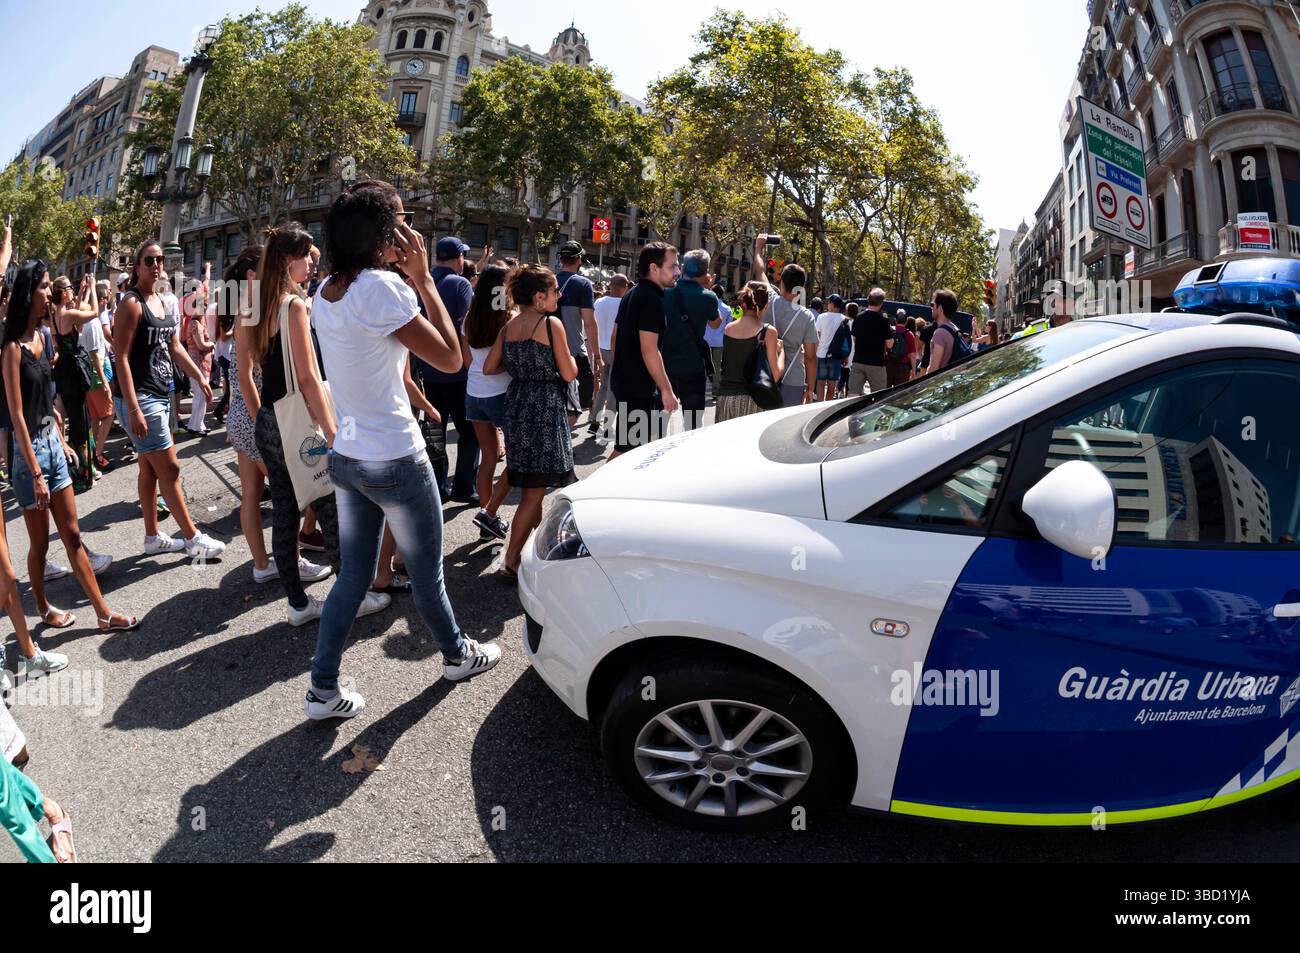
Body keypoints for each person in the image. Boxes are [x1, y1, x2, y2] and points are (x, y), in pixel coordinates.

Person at [309, 180, 499, 720]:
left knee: (353, 576)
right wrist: (425, 280)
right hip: (395, 454)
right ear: (383, 233)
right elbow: (451, 360)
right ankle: (457, 655)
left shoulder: (325, 292)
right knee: (427, 572)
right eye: (400, 220)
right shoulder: (384, 289)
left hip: (349, 455)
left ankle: (322, 689)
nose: (409, 230)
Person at [3, 260, 139, 633]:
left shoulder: (43, 338)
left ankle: (103, 614)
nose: (50, 292)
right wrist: (35, 473)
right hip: (28, 456)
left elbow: (46, 402)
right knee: (40, 546)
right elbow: (17, 416)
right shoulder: (12, 348)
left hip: (52, 446)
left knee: (73, 534)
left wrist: (61, 440)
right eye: (44, 285)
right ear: (29, 292)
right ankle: (43, 605)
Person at [246, 224, 344, 626]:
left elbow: (253, 368)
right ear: (289, 260)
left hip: (269, 420)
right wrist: (332, 432)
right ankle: (350, 596)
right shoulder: (293, 306)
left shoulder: (256, 302)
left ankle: (297, 603)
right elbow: (307, 378)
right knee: (329, 505)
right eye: (306, 256)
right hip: (298, 423)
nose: (312, 263)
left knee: (285, 512)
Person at [113, 242, 226, 561]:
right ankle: (193, 539)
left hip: (160, 394)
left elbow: (175, 346)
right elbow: (121, 358)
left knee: (149, 470)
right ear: (137, 266)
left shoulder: (162, 301)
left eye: (160, 260)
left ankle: (152, 537)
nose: (156, 265)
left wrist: (199, 376)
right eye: (149, 260)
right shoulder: (131, 304)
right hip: (141, 398)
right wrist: (133, 408)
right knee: (171, 469)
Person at [483, 264, 577, 575]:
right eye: (554, 291)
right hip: (544, 406)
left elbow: (489, 367)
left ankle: (531, 552)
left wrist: (520, 368)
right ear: (539, 297)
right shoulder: (551, 325)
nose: (558, 296)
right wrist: (566, 363)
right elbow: (569, 373)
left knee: (528, 482)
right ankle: (511, 560)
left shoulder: (508, 327)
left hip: (517, 403)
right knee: (534, 492)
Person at [220, 245, 277, 584]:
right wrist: (262, 424)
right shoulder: (249, 312)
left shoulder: (250, 307)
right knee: (286, 494)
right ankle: (289, 560)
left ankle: (262, 564)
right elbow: (245, 377)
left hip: (243, 416)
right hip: (251, 416)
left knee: (252, 495)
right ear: (254, 275)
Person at [416, 236, 480, 504]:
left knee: (435, 431)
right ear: (458, 258)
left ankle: (438, 488)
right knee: (469, 432)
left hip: (428, 369)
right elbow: (468, 327)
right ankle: (464, 487)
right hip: (458, 372)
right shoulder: (460, 283)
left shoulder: (421, 283)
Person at [609, 242, 680, 457]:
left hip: (626, 381)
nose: (677, 271)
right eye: (673, 266)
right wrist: (666, 389)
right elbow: (649, 349)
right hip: (636, 386)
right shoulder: (651, 299)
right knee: (627, 451)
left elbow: (614, 337)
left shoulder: (633, 293)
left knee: (633, 448)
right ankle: (595, 481)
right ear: (654, 268)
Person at [461, 262, 512, 541]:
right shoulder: (507, 318)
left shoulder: (469, 318)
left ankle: (487, 520)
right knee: (518, 460)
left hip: (474, 393)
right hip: (501, 392)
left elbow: (467, 362)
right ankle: (489, 514)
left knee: (488, 459)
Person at [750, 234, 817, 406]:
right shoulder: (807, 316)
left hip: (765, 373)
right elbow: (810, 357)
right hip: (793, 379)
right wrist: (810, 389)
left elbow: (760, 271)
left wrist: (758, 248)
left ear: (781, 283)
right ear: (800, 288)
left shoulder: (769, 300)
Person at [660, 249, 724, 430]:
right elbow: (715, 323)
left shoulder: (665, 292)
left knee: (660, 421)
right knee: (693, 423)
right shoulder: (708, 297)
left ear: (682, 268)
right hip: (692, 367)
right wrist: (707, 289)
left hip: (665, 365)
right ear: (705, 272)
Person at [714, 282, 783, 423]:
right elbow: (775, 375)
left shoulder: (728, 328)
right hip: (751, 401)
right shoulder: (768, 331)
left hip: (725, 398)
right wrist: (781, 352)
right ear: (766, 306)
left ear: (744, 303)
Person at [553, 241, 602, 432]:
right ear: (579, 260)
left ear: (561, 259)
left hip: (547, 351)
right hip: (573, 353)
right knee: (576, 406)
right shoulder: (582, 284)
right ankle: (560, 440)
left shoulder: (549, 281)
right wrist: (597, 356)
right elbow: (589, 323)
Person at [591, 272, 627, 434]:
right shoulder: (625, 303)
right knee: (613, 389)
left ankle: (594, 421)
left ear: (610, 286)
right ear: (624, 287)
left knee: (603, 386)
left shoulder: (599, 302)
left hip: (600, 348)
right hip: (616, 350)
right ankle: (607, 425)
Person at [85, 280, 115, 470]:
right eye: (108, 296)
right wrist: (104, 382)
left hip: (90, 376)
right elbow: (95, 355)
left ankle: (93, 452)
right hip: (97, 376)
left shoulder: (86, 321)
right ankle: (98, 454)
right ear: (102, 300)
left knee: (96, 417)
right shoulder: (94, 323)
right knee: (109, 415)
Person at [183, 262, 215, 436]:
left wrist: (208, 270)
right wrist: (212, 345)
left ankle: (199, 424)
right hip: (197, 366)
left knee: (202, 396)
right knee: (200, 396)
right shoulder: (195, 323)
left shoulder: (199, 321)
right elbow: (201, 344)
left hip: (202, 365)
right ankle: (194, 426)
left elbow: (206, 284)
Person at [847, 288, 893, 396]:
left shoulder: (858, 317)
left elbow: (854, 339)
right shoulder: (884, 320)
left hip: (858, 361)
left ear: (868, 300)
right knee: (878, 396)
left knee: (852, 395)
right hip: (876, 363)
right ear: (881, 303)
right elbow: (889, 344)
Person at [814, 294, 850, 402]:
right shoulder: (844, 319)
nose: (827, 304)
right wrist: (846, 356)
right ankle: (827, 406)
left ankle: (819, 405)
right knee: (832, 383)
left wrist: (814, 352)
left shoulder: (822, 317)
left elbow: (817, 337)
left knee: (820, 382)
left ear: (832, 304)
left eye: (829, 302)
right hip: (836, 356)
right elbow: (846, 341)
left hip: (821, 354)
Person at [925, 288, 969, 374]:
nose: (931, 308)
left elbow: (934, 368)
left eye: (933, 304)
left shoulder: (940, 333)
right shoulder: (955, 329)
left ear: (940, 308)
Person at [705, 282, 731, 397]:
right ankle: (716, 391)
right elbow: (728, 326)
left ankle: (700, 389)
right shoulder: (727, 309)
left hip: (705, 340)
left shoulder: (706, 305)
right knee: (717, 366)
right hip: (720, 341)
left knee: (703, 366)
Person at [886, 308, 918, 388]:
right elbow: (913, 354)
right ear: (906, 321)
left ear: (895, 320)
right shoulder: (910, 334)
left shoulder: (890, 330)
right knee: (899, 393)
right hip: (903, 368)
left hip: (888, 365)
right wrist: (913, 372)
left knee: (884, 391)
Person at [837, 302, 857, 397]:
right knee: (850, 376)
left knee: (843, 375)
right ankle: (847, 395)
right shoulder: (858, 323)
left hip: (845, 351)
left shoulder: (844, 322)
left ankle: (839, 392)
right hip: (854, 353)